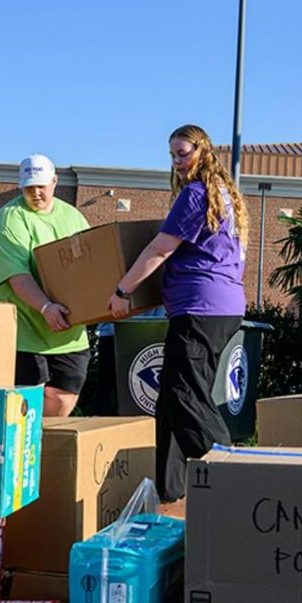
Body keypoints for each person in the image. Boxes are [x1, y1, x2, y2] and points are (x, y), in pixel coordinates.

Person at [108, 124, 248, 502]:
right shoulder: (223, 195)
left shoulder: (197, 194)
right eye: (172, 155)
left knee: (186, 395)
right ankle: (170, 491)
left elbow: (160, 249)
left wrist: (123, 290)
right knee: (170, 399)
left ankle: (238, 478)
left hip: (200, 308)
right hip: (218, 306)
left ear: (203, 151)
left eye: (183, 153)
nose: (177, 162)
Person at [0, 154, 92, 417]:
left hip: (67, 330)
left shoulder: (72, 217)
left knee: (64, 397)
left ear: (54, 182)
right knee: (23, 405)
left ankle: (44, 446)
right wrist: (45, 306)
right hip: (22, 329)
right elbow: (18, 276)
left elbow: (92, 266)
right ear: (20, 186)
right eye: (29, 187)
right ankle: (25, 450)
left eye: (41, 186)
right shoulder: (11, 219)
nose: (36, 193)